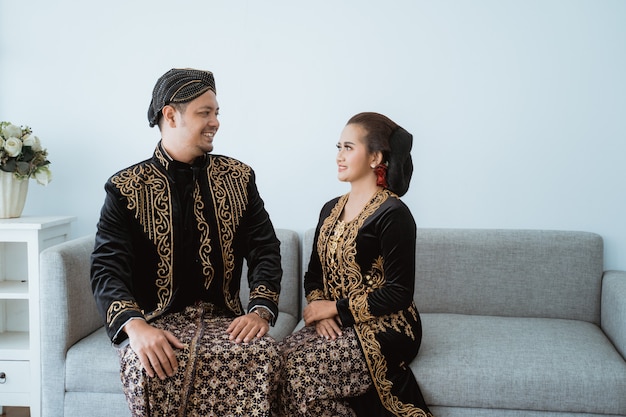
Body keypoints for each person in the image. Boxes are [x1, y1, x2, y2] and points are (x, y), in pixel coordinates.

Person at [90, 68, 283, 417]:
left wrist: (260, 309)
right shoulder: (125, 188)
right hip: (154, 319)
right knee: (146, 365)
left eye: (217, 113)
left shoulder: (238, 177)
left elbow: (264, 247)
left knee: (264, 355)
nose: (215, 122)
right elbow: (107, 267)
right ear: (170, 115)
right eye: (204, 113)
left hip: (225, 319)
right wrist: (135, 327)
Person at [277, 112, 433, 417]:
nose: (339, 156)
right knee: (278, 362)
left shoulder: (394, 214)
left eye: (348, 147)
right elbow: (313, 275)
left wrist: (334, 309)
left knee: (300, 370)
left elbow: (399, 292)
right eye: (338, 147)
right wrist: (320, 312)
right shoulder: (329, 209)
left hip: (389, 325)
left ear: (375, 157)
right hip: (336, 322)